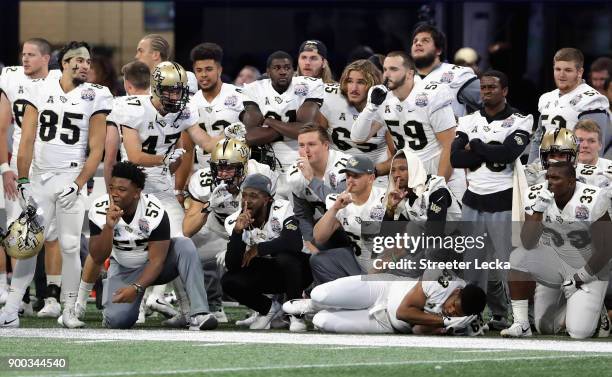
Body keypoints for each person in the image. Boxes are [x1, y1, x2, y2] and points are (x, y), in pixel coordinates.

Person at [0, 41, 112, 328]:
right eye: (77, 60)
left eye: (87, 61)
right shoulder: (40, 88)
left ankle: (69, 309)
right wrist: (23, 179)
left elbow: (96, 148)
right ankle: (12, 308)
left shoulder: (97, 95)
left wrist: (78, 184)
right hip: (39, 178)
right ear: (63, 63)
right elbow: (26, 140)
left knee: (71, 245)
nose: (84, 65)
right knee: (28, 242)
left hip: (70, 178)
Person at [87, 161, 217, 330]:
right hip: (124, 268)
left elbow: (157, 261)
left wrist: (136, 287)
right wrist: (109, 227)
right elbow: (97, 257)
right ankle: (109, 288)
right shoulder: (99, 209)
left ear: (137, 193)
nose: (114, 194)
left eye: (122, 189)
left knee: (184, 245)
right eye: (112, 188)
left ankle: (199, 313)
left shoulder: (154, 210)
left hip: (155, 267)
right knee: (117, 321)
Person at [451, 70, 533, 331]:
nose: (485, 91)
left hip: (504, 199)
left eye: (491, 87)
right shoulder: (468, 119)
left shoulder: (521, 119)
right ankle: (484, 315)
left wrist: (475, 146)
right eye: (483, 87)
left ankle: (524, 318)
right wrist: (488, 151)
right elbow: (456, 159)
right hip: (473, 199)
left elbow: (510, 153)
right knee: (474, 265)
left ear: (505, 90)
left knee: (510, 263)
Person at [501, 161, 611, 339]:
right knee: (545, 326)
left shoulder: (594, 198)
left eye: (555, 178)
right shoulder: (538, 194)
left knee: (578, 332)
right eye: (548, 177)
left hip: (589, 265)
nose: (549, 182)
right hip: (556, 259)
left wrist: (579, 278)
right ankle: (521, 324)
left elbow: (606, 249)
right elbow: (528, 243)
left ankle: (598, 315)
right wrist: (538, 210)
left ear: (571, 182)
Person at [0, 38, 63, 317]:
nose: (24, 59)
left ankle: (53, 296)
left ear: (46, 58)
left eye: (31, 55)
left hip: (53, 167)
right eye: (23, 54)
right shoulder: (11, 77)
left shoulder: (62, 80)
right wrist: (5, 168)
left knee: (54, 236)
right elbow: (1, 128)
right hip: (20, 166)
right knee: (19, 233)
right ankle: (21, 297)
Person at [183, 137, 276, 325]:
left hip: (251, 234)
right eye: (219, 168)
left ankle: (272, 307)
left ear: (243, 167)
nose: (223, 174)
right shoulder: (203, 181)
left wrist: (237, 245)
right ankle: (190, 310)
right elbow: (187, 229)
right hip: (216, 232)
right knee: (181, 248)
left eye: (229, 168)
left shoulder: (260, 175)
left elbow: (265, 221)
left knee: (271, 252)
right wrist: (208, 205)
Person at [350, 51, 464, 201]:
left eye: (394, 69)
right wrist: (371, 107)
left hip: (440, 175)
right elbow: (358, 137)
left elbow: (449, 145)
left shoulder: (431, 94)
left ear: (410, 73)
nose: (387, 74)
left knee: (448, 225)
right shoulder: (383, 97)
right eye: (385, 69)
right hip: (407, 179)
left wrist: (438, 185)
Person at [221, 174, 310, 331]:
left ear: (267, 199)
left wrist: (259, 249)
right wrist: (237, 233)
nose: (246, 201)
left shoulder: (282, 208)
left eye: (253, 196)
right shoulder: (235, 219)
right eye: (245, 195)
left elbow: (293, 242)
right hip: (269, 274)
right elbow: (233, 265)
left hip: (299, 271)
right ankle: (268, 308)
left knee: (285, 257)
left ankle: (297, 315)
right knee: (228, 281)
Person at [283, 270, 486, 335]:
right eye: (454, 305)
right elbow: (404, 312)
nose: (451, 311)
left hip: (386, 324)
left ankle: (315, 313)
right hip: (383, 287)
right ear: (456, 291)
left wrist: (442, 327)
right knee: (320, 294)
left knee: (322, 322)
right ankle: (310, 305)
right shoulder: (441, 279)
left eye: (457, 314)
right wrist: (442, 322)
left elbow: (416, 331)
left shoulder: (465, 322)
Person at [242, 50, 323, 199]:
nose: (283, 72)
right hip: (267, 161)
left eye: (287, 67)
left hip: (301, 158)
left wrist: (270, 122)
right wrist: (291, 127)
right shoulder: (254, 89)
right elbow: (251, 137)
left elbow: (305, 131)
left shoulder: (310, 85)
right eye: (277, 68)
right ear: (268, 71)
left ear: (293, 70)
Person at [312, 155, 386, 284]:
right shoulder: (339, 201)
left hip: (385, 267)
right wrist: (335, 208)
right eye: (348, 176)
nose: (350, 180)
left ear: (371, 178)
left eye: (356, 176)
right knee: (317, 259)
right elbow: (318, 237)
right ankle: (341, 301)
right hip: (357, 262)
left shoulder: (385, 198)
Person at [528, 48, 610, 162]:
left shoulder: (591, 99)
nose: (561, 75)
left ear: (579, 72)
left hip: (573, 170)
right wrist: (530, 167)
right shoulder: (546, 98)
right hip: (546, 168)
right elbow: (538, 139)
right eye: (558, 69)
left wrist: (585, 176)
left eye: (568, 70)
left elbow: (594, 147)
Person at [317, 59, 393, 175]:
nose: (353, 88)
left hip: (375, 175)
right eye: (349, 81)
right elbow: (317, 144)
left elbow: (397, 155)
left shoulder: (387, 105)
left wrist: (373, 171)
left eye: (361, 82)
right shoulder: (330, 99)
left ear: (373, 85)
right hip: (336, 172)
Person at [287, 125, 349, 256]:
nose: (306, 151)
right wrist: (312, 243)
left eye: (311, 144)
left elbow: (340, 204)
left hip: (354, 225)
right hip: (325, 230)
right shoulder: (295, 175)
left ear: (326, 145)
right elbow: (302, 214)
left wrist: (311, 178)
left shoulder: (346, 166)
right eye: (301, 145)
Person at [189, 43, 247, 170]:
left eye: (209, 69)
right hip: (203, 173)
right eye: (199, 70)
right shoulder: (191, 103)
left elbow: (252, 131)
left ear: (219, 70)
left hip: (235, 170)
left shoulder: (240, 96)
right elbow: (188, 149)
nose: (203, 75)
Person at [410, 24, 481, 116]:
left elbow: (493, 105)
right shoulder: (403, 76)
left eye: (425, 40)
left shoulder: (457, 74)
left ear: (438, 50)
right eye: (415, 41)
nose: (418, 43)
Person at [104, 60, 151, 189]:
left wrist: (111, 194)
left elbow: (110, 158)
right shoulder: (162, 105)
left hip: (129, 179)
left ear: (128, 85)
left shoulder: (118, 105)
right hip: (161, 178)